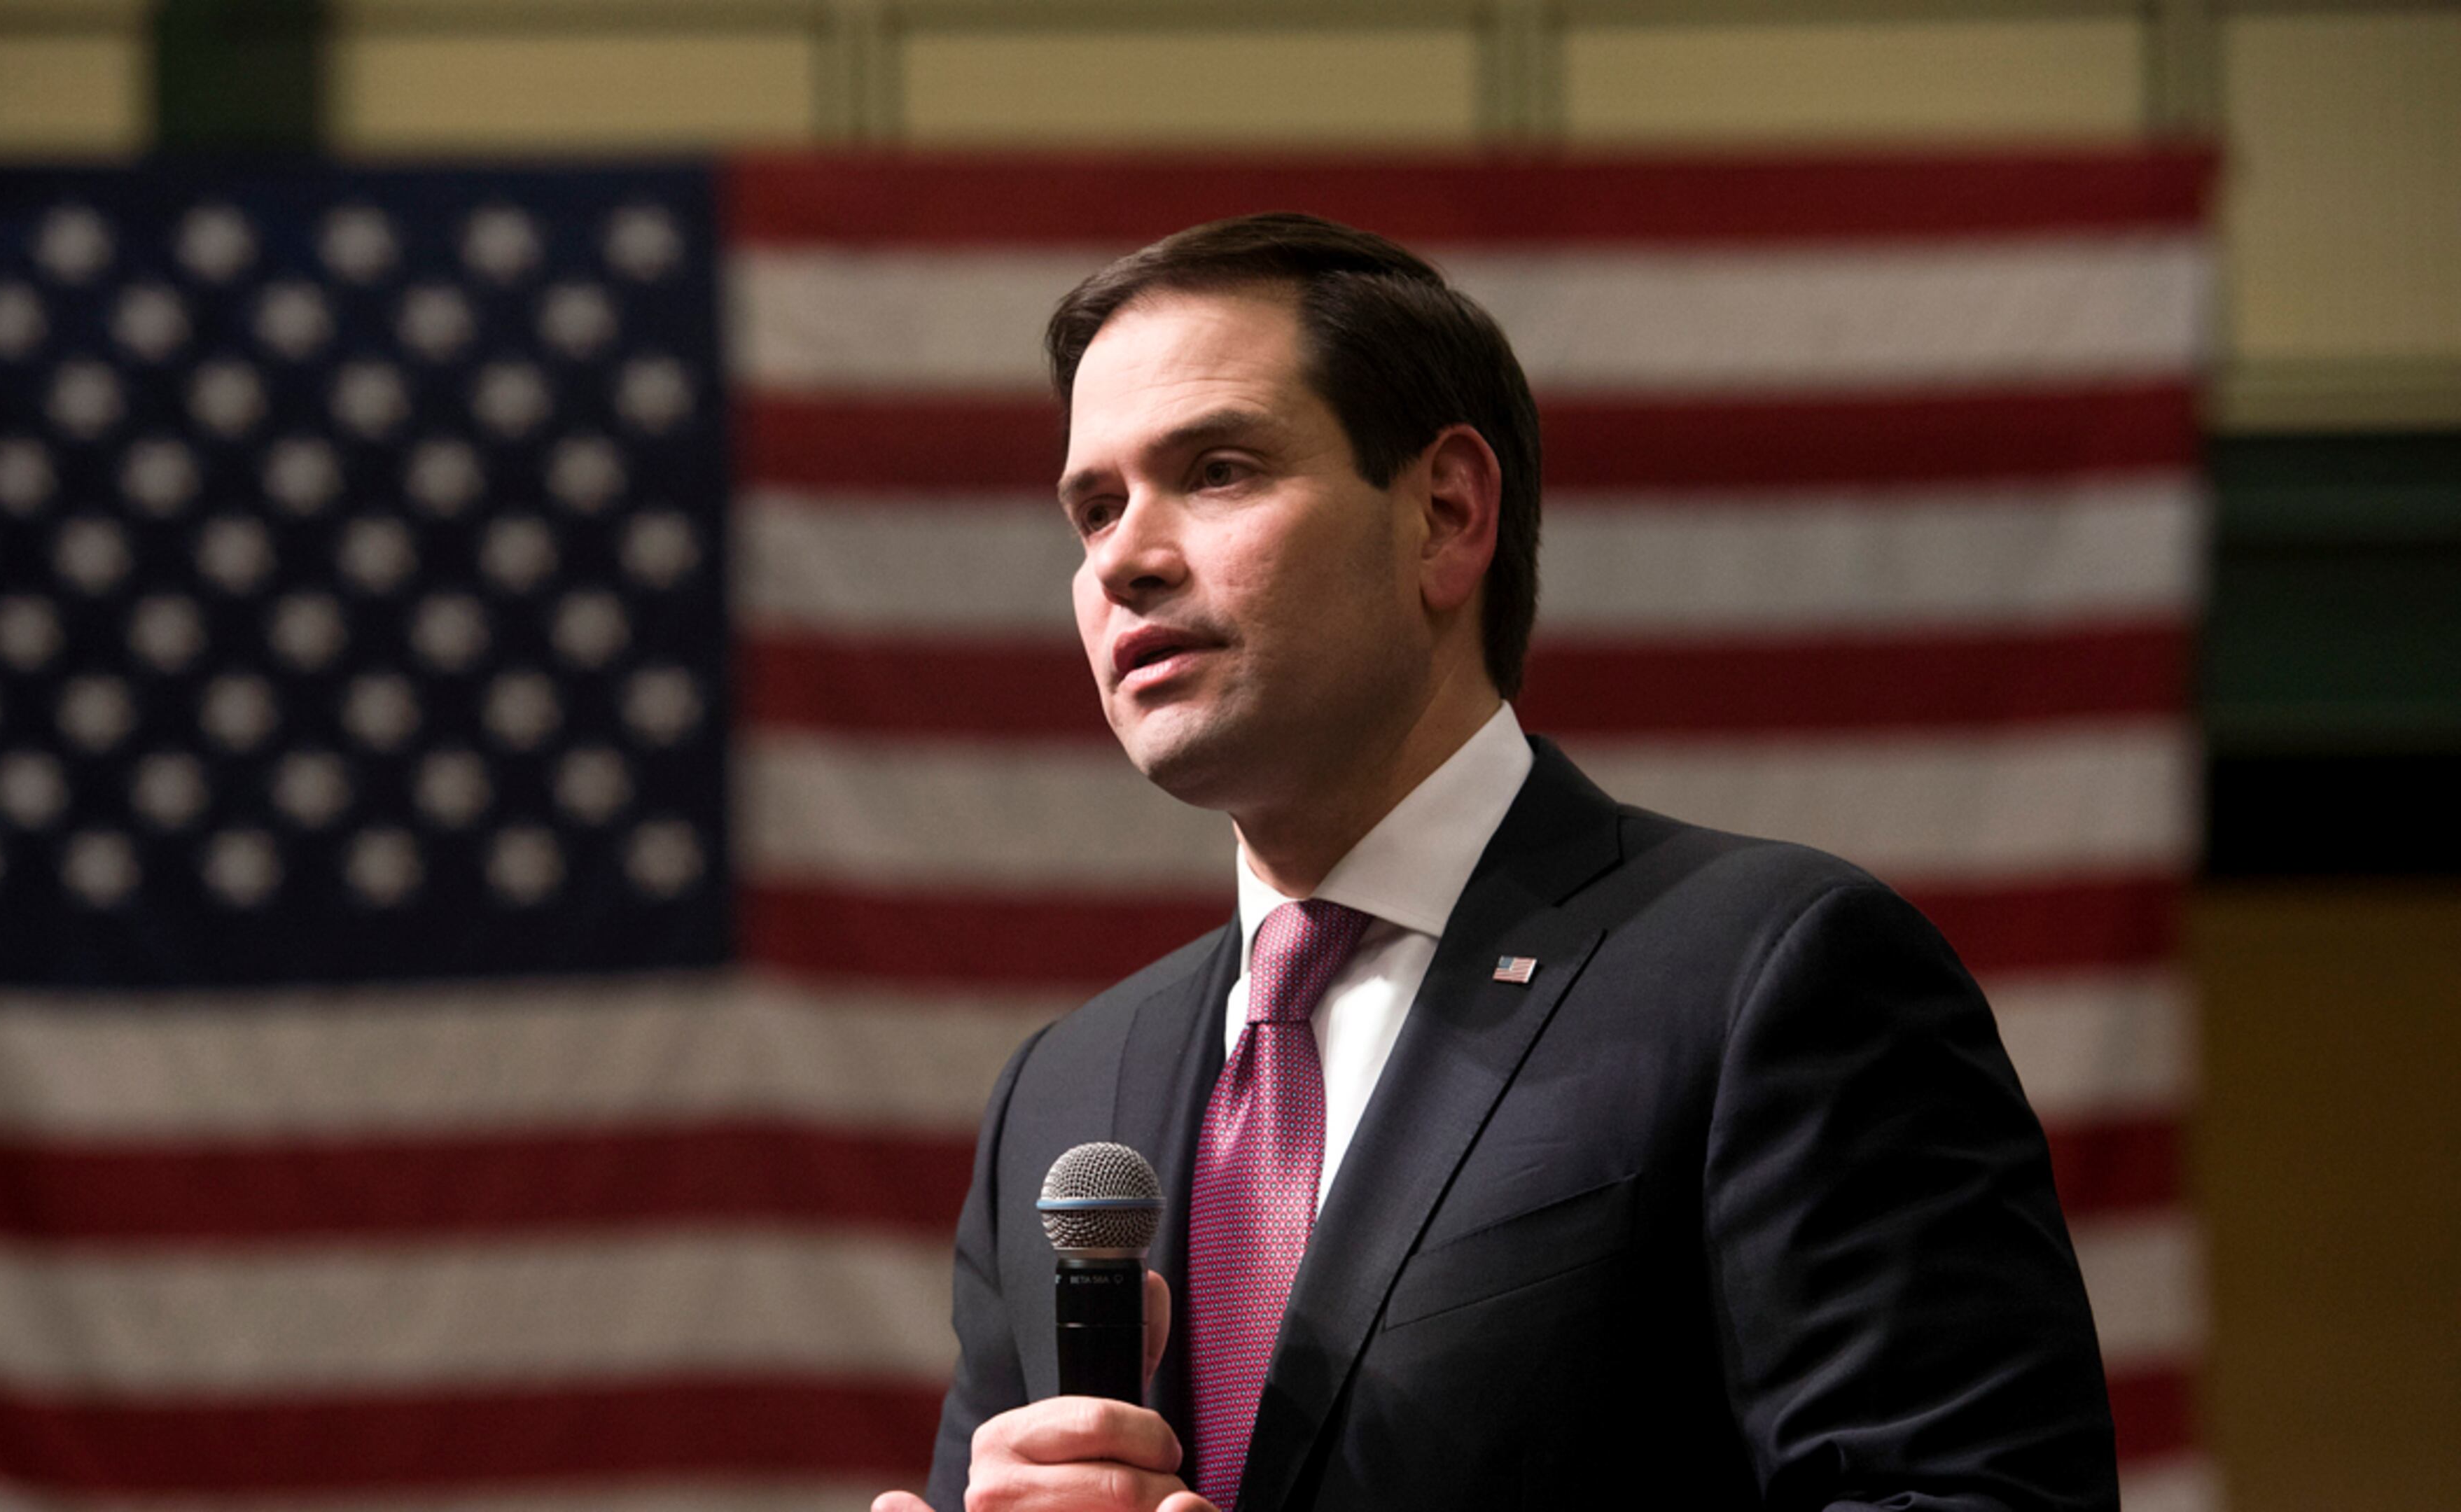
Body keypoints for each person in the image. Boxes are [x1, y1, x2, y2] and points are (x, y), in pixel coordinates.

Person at [872, 214, 2115, 1512]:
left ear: (1447, 514)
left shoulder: (1771, 976)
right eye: (1094, 507)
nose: (1123, 557)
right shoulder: (1063, 1098)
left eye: (1220, 469)